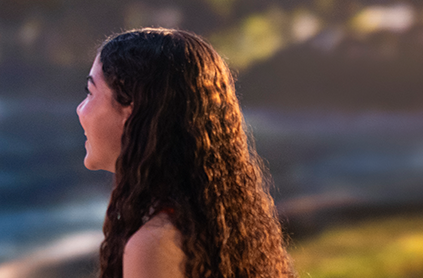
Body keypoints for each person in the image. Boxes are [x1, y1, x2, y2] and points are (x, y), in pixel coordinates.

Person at [76, 28, 294, 278]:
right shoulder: (215, 217)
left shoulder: (155, 245)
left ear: (132, 108)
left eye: (90, 93)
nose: (80, 109)